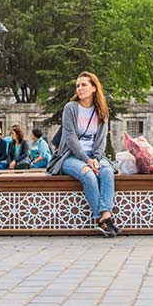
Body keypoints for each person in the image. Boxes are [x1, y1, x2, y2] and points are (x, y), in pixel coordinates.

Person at [47, 71, 119, 237]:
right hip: (70, 155)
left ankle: (105, 218)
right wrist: (87, 160)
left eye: (84, 85)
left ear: (94, 88)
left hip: (94, 155)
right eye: (78, 85)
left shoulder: (102, 111)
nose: (80, 88)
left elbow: (101, 142)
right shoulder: (70, 108)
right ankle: (103, 218)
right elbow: (71, 139)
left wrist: (96, 159)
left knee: (107, 172)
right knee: (89, 176)